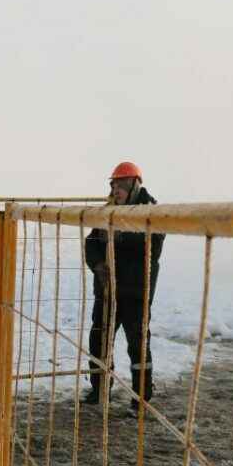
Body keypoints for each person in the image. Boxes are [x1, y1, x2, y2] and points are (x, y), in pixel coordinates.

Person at [83, 161, 165, 413]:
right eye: (113, 185)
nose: (116, 190)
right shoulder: (108, 212)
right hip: (107, 290)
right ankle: (99, 390)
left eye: (121, 185)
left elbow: (148, 245)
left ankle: (141, 398)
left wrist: (117, 237)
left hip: (135, 291)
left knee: (137, 343)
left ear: (134, 185)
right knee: (99, 338)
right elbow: (92, 243)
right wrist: (98, 265)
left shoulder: (151, 212)